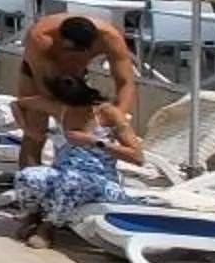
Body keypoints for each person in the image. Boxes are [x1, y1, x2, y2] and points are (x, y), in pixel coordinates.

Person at [13, 71, 144, 242]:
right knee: (27, 176)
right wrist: (29, 131)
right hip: (63, 172)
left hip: (101, 180)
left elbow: (137, 157)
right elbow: (17, 104)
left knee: (70, 181)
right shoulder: (61, 108)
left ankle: (49, 227)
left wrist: (94, 141)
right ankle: (32, 217)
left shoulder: (108, 114)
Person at [20, 11, 138, 121]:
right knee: (35, 127)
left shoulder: (111, 39)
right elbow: (42, 84)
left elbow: (125, 81)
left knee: (99, 122)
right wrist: (62, 112)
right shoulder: (40, 38)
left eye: (80, 52)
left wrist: (120, 115)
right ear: (60, 39)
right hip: (41, 73)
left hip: (77, 76)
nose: (72, 56)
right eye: (69, 51)